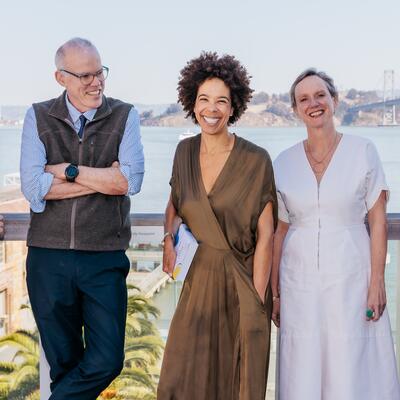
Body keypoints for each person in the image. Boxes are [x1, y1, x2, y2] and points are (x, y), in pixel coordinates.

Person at [20, 37, 144, 399]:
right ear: (61, 78)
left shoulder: (125, 115)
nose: (97, 82)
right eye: (85, 76)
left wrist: (67, 171)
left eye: (100, 72)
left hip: (104, 256)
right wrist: (103, 179)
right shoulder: (38, 115)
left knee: (107, 360)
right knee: (65, 365)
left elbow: (128, 181)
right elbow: (33, 187)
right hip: (47, 257)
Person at [271, 68, 400, 399]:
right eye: (303, 99)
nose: (313, 103)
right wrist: (275, 292)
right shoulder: (283, 163)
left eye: (320, 95)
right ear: (295, 109)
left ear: (335, 100)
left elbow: (378, 221)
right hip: (297, 282)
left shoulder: (363, 151)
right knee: (302, 363)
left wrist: (376, 283)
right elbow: (279, 230)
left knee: (351, 363)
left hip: (352, 278)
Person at [157, 52, 277, 400]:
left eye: (221, 101)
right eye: (204, 99)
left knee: (236, 380)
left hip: (243, 285)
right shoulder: (183, 153)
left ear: (233, 106)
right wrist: (168, 236)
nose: (212, 109)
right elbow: (175, 203)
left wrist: (257, 300)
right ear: (192, 104)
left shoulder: (256, 160)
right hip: (198, 283)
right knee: (180, 377)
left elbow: (266, 235)